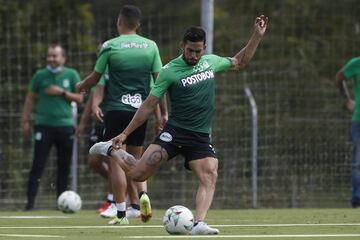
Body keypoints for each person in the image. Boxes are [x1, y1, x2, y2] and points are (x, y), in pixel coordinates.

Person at [89, 15, 268, 235]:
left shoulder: (209, 62)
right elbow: (147, 106)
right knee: (137, 175)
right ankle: (109, 149)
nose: (194, 55)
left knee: (210, 173)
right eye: (190, 50)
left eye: (198, 51)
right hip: (174, 133)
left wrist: (256, 37)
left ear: (204, 48)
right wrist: (124, 134)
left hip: (200, 136)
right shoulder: (169, 71)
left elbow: (239, 62)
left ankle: (199, 224)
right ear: (182, 45)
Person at [76, 5, 165, 224]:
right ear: (139, 24)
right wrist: (162, 114)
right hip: (140, 111)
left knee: (116, 160)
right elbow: (160, 82)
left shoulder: (110, 46)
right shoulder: (150, 46)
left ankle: (121, 213)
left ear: (119, 22)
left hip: (116, 109)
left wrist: (81, 85)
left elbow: (96, 78)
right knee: (136, 159)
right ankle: (143, 196)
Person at [22, 44, 83, 211]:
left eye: (55, 56)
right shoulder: (40, 75)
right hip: (43, 125)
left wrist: (62, 92)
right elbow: (29, 98)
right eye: (49, 56)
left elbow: (79, 98)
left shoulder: (72, 74)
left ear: (63, 58)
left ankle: (60, 204)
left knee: (63, 167)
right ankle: (29, 204)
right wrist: (25, 121)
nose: (51, 59)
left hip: (65, 126)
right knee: (38, 164)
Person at [336, 58, 360, 208]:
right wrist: (347, 99)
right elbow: (339, 77)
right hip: (359, 120)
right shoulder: (356, 63)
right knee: (358, 163)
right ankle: (357, 200)